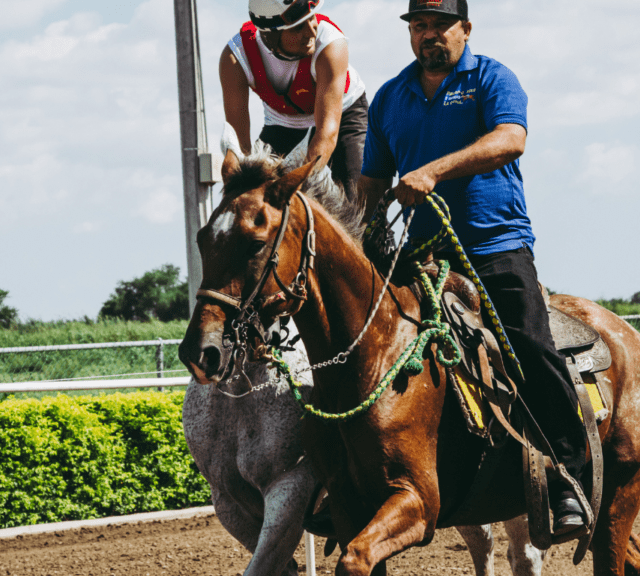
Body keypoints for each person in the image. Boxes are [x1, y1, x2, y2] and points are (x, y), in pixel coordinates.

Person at [357, 0, 588, 536]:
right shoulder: (390, 96)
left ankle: (569, 477)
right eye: (419, 26)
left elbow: (511, 139)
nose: (428, 35)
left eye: (440, 25)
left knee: (527, 345)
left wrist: (433, 172)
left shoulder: (491, 78)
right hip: (418, 257)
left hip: (494, 247)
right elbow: (370, 182)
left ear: (466, 29)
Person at [220, 0, 368, 209]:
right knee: (249, 197)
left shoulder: (331, 44)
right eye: (298, 27)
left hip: (343, 113)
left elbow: (326, 135)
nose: (311, 31)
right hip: (283, 121)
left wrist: (295, 187)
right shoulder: (235, 58)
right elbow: (240, 146)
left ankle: (375, 239)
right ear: (269, 35)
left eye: (312, 18)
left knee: (355, 200)